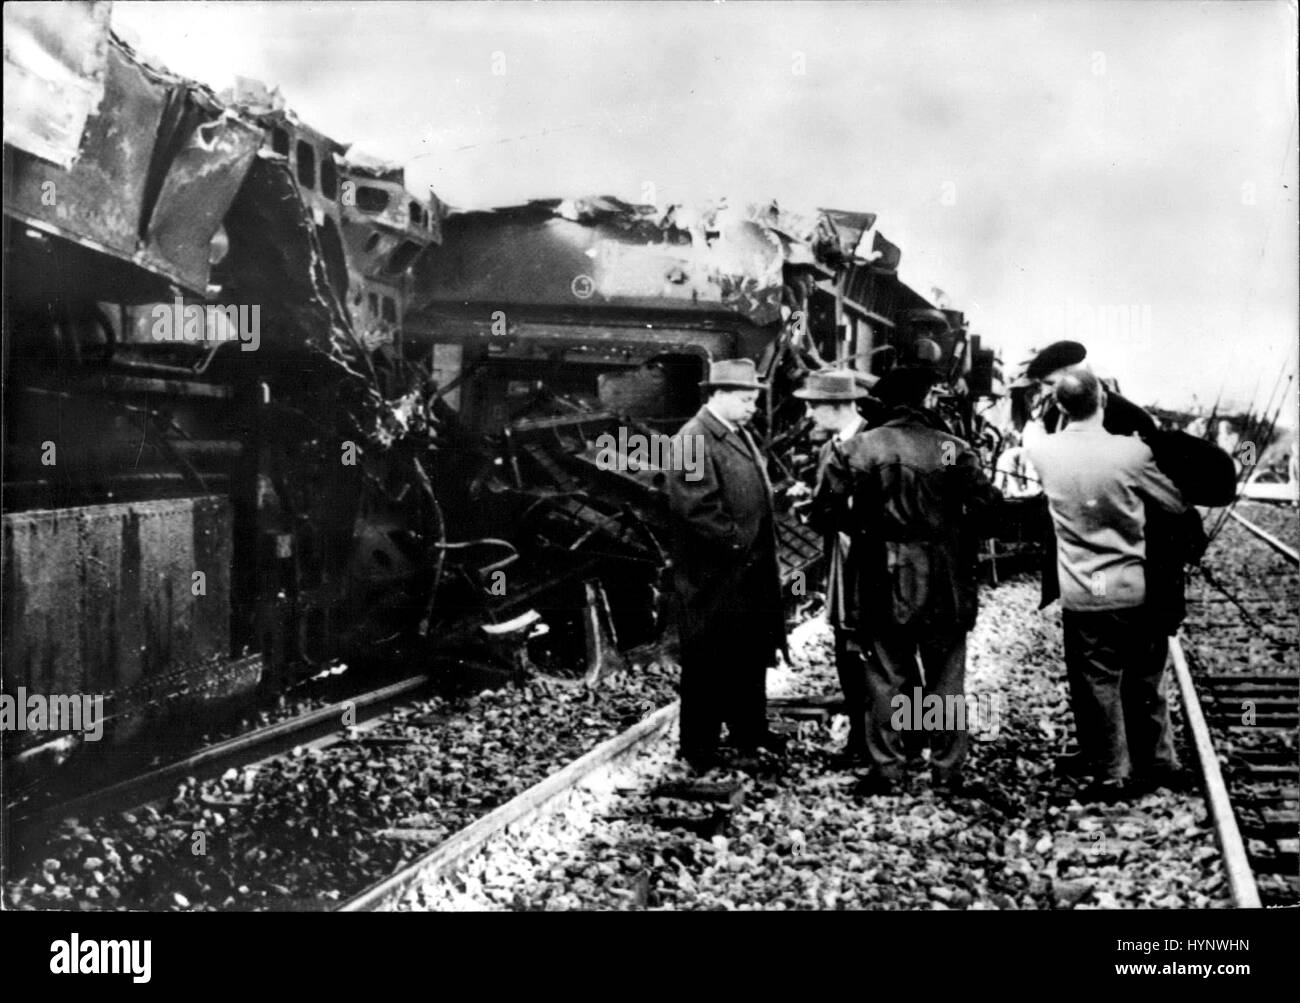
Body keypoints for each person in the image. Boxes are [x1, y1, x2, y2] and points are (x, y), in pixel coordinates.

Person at [820, 366, 1002, 796]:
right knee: (945, 677)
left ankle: (888, 769)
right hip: (945, 579)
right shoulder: (951, 449)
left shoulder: (859, 448)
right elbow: (989, 513)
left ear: (884, 405)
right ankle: (947, 771)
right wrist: (951, 532)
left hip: (880, 576)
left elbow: (824, 513)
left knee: (886, 673)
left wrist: (865, 526)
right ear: (924, 402)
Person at [1025, 368, 1189, 802]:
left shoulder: (1042, 452)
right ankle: (1159, 762)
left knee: (1098, 681)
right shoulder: (1131, 454)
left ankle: (1112, 772)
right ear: (1104, 401)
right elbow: (1174, 504)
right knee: (1147, 675)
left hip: (1083, 589)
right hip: (1130, 584)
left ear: (1059, 406)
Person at [665, 358, 788, 772]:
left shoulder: (736, 433)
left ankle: (748, 732)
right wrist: (740, 544)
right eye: (744, 397)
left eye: (754, 398)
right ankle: (698, 748)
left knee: (748, 656)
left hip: (745, 574)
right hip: (713, 577)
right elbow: (698, 509)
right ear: (717, 395)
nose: (752, 405)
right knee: (708, 663)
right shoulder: (693, 439)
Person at [799, 370, 874, 763]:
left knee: (871, 652)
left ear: (837, 406)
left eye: (814, 406)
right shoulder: (833, 446)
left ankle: (883, 741)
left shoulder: (869, 443)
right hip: (842, 562)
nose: (809, 413)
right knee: (847, 648)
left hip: (867, 565)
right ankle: (862, 740)